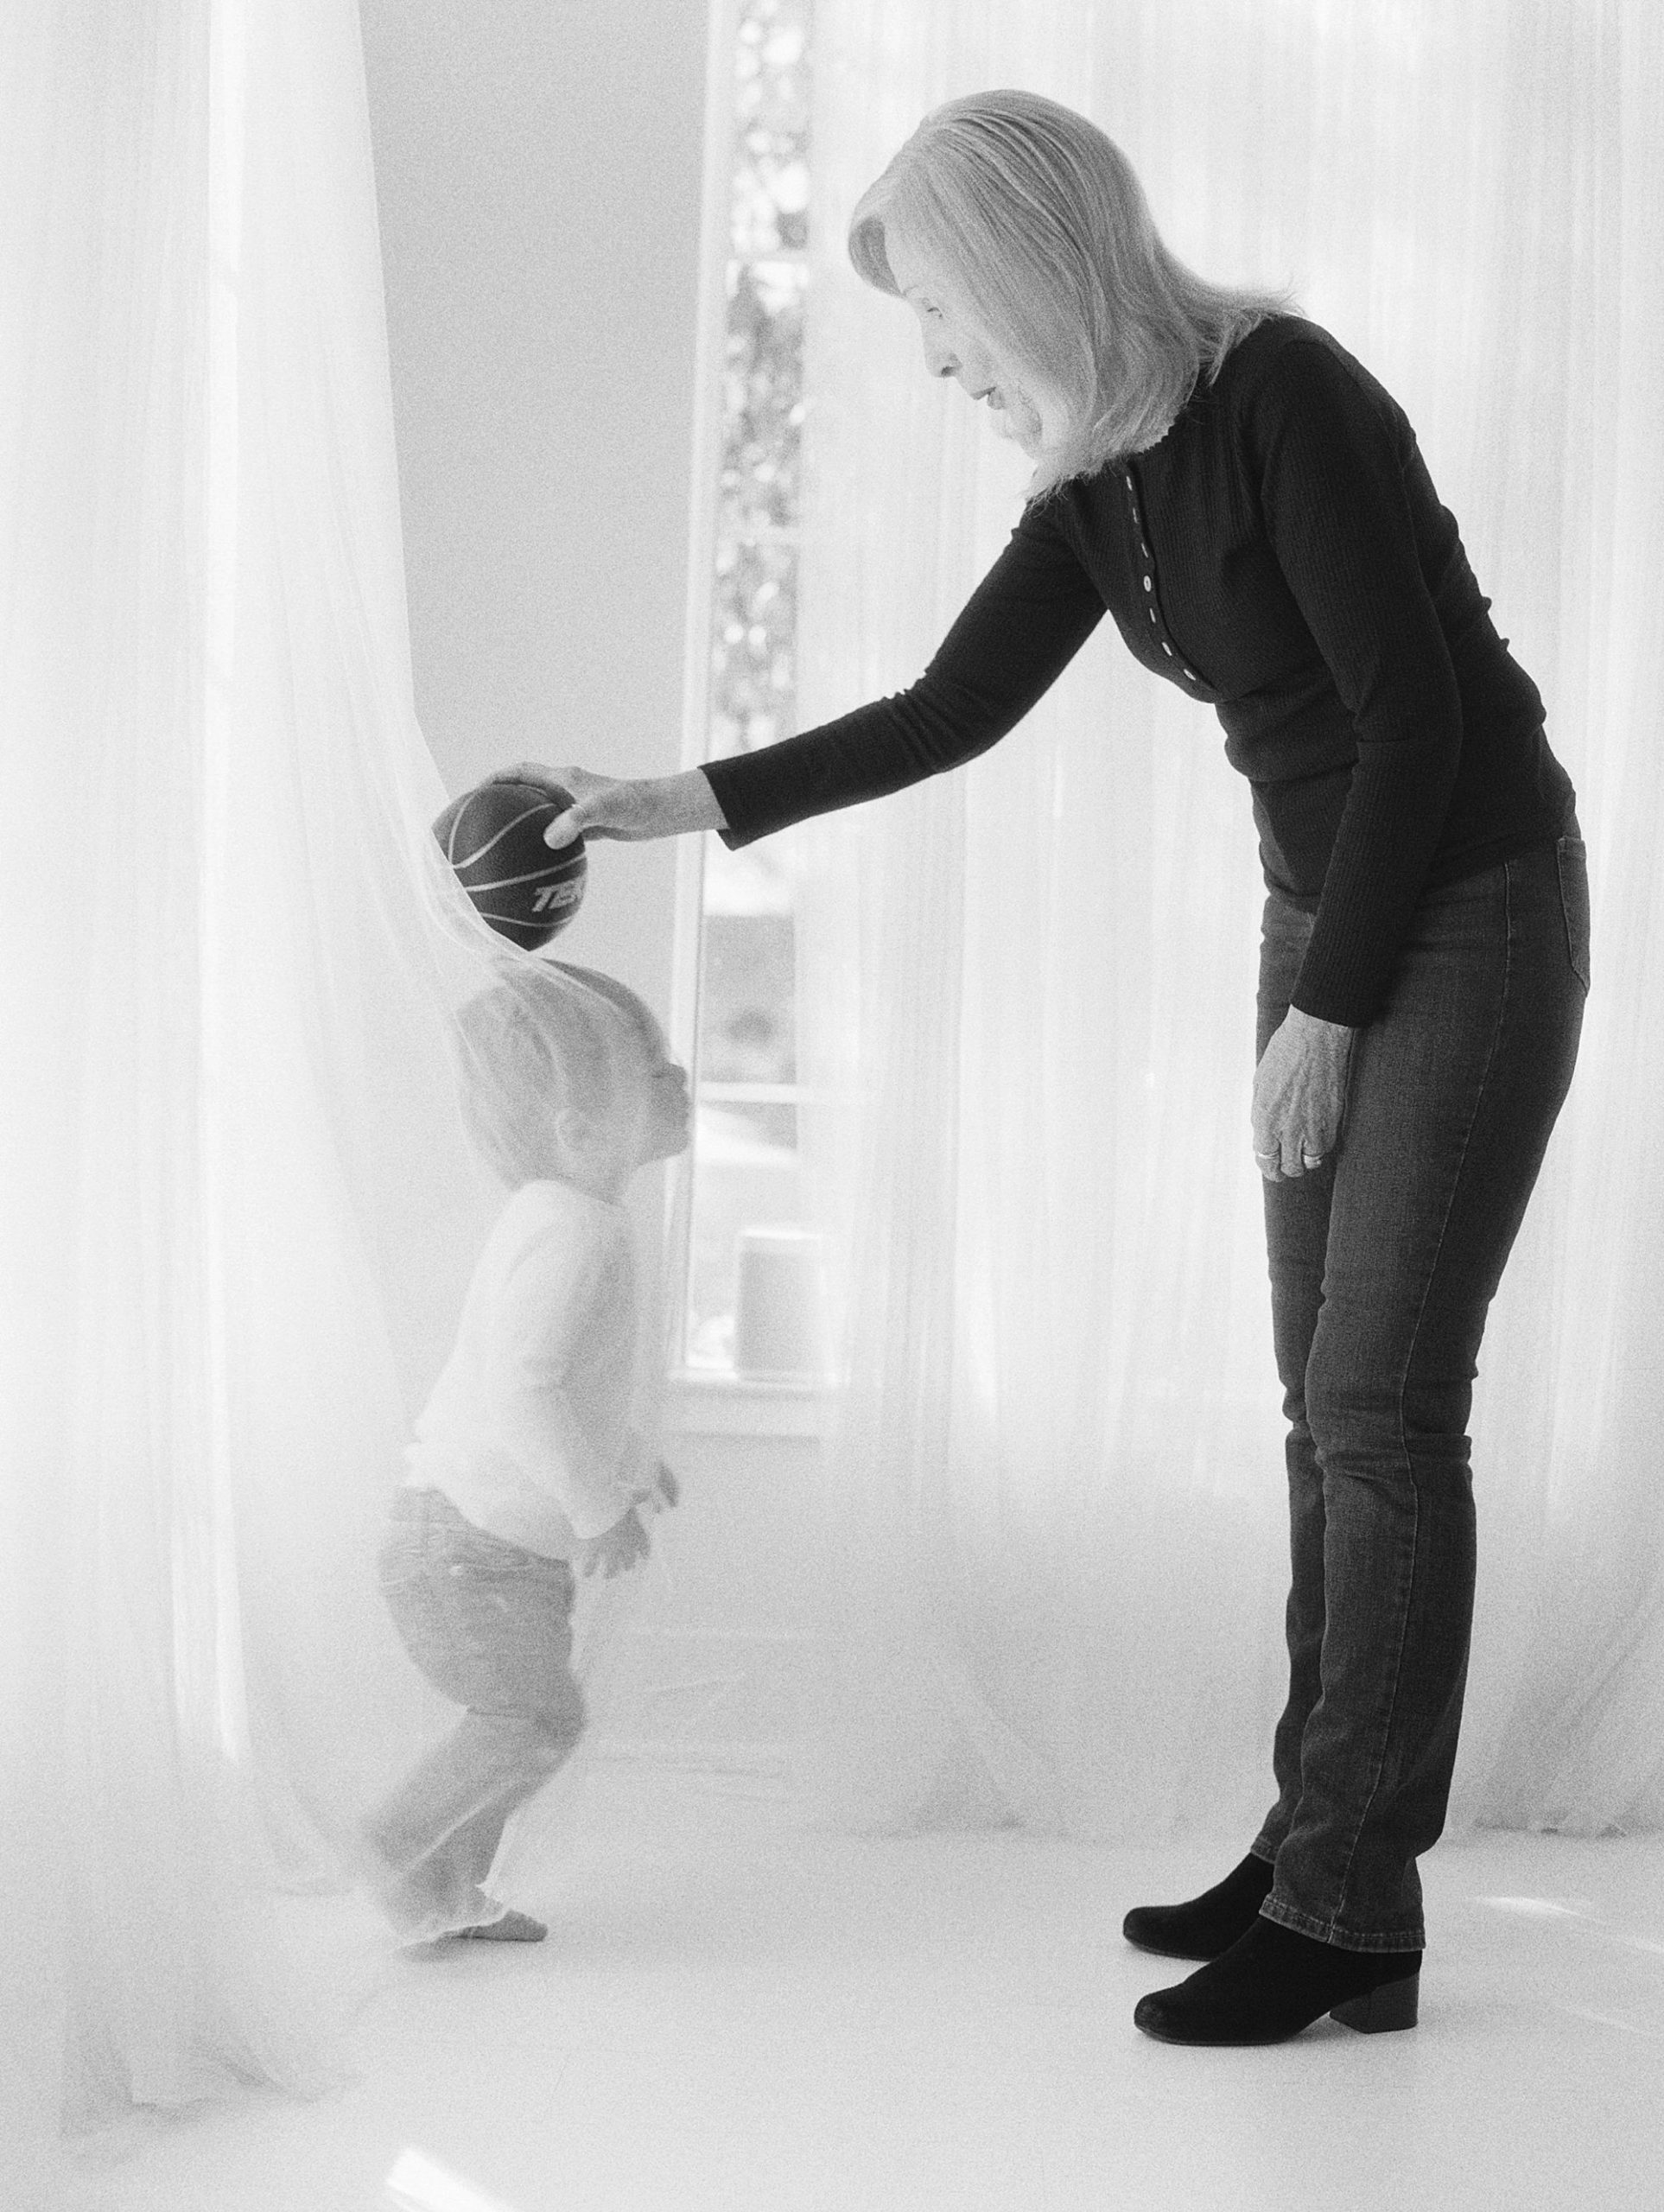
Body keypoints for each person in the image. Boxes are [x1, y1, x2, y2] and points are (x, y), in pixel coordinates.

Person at [492, 90, 1588, 2041]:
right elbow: (947, 708)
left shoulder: (1286, 401)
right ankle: (1319, 1844)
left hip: (1472, 904)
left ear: (1027, 272)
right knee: (1316, 1402)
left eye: (942, 317)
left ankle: (1349, 1908)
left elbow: (1415, 727)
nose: (934, 361)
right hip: (1325, 904)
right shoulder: (1102, 478)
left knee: (1381, 1399)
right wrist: (675, 796)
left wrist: (1325, 1019)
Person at [359, 959, 690, 1944]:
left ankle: (446, 1894)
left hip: (483, 1543)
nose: (679, 1083)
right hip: (467, 1547)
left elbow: (567, 1382)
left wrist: (626, 1461)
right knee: (532, 1722)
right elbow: (522, 1386)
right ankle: (404, 1845)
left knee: (528, 1723)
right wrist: (597, 1503)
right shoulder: (574, 1230)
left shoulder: (573, 1216)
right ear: (580, 1130)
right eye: (652, 1071)